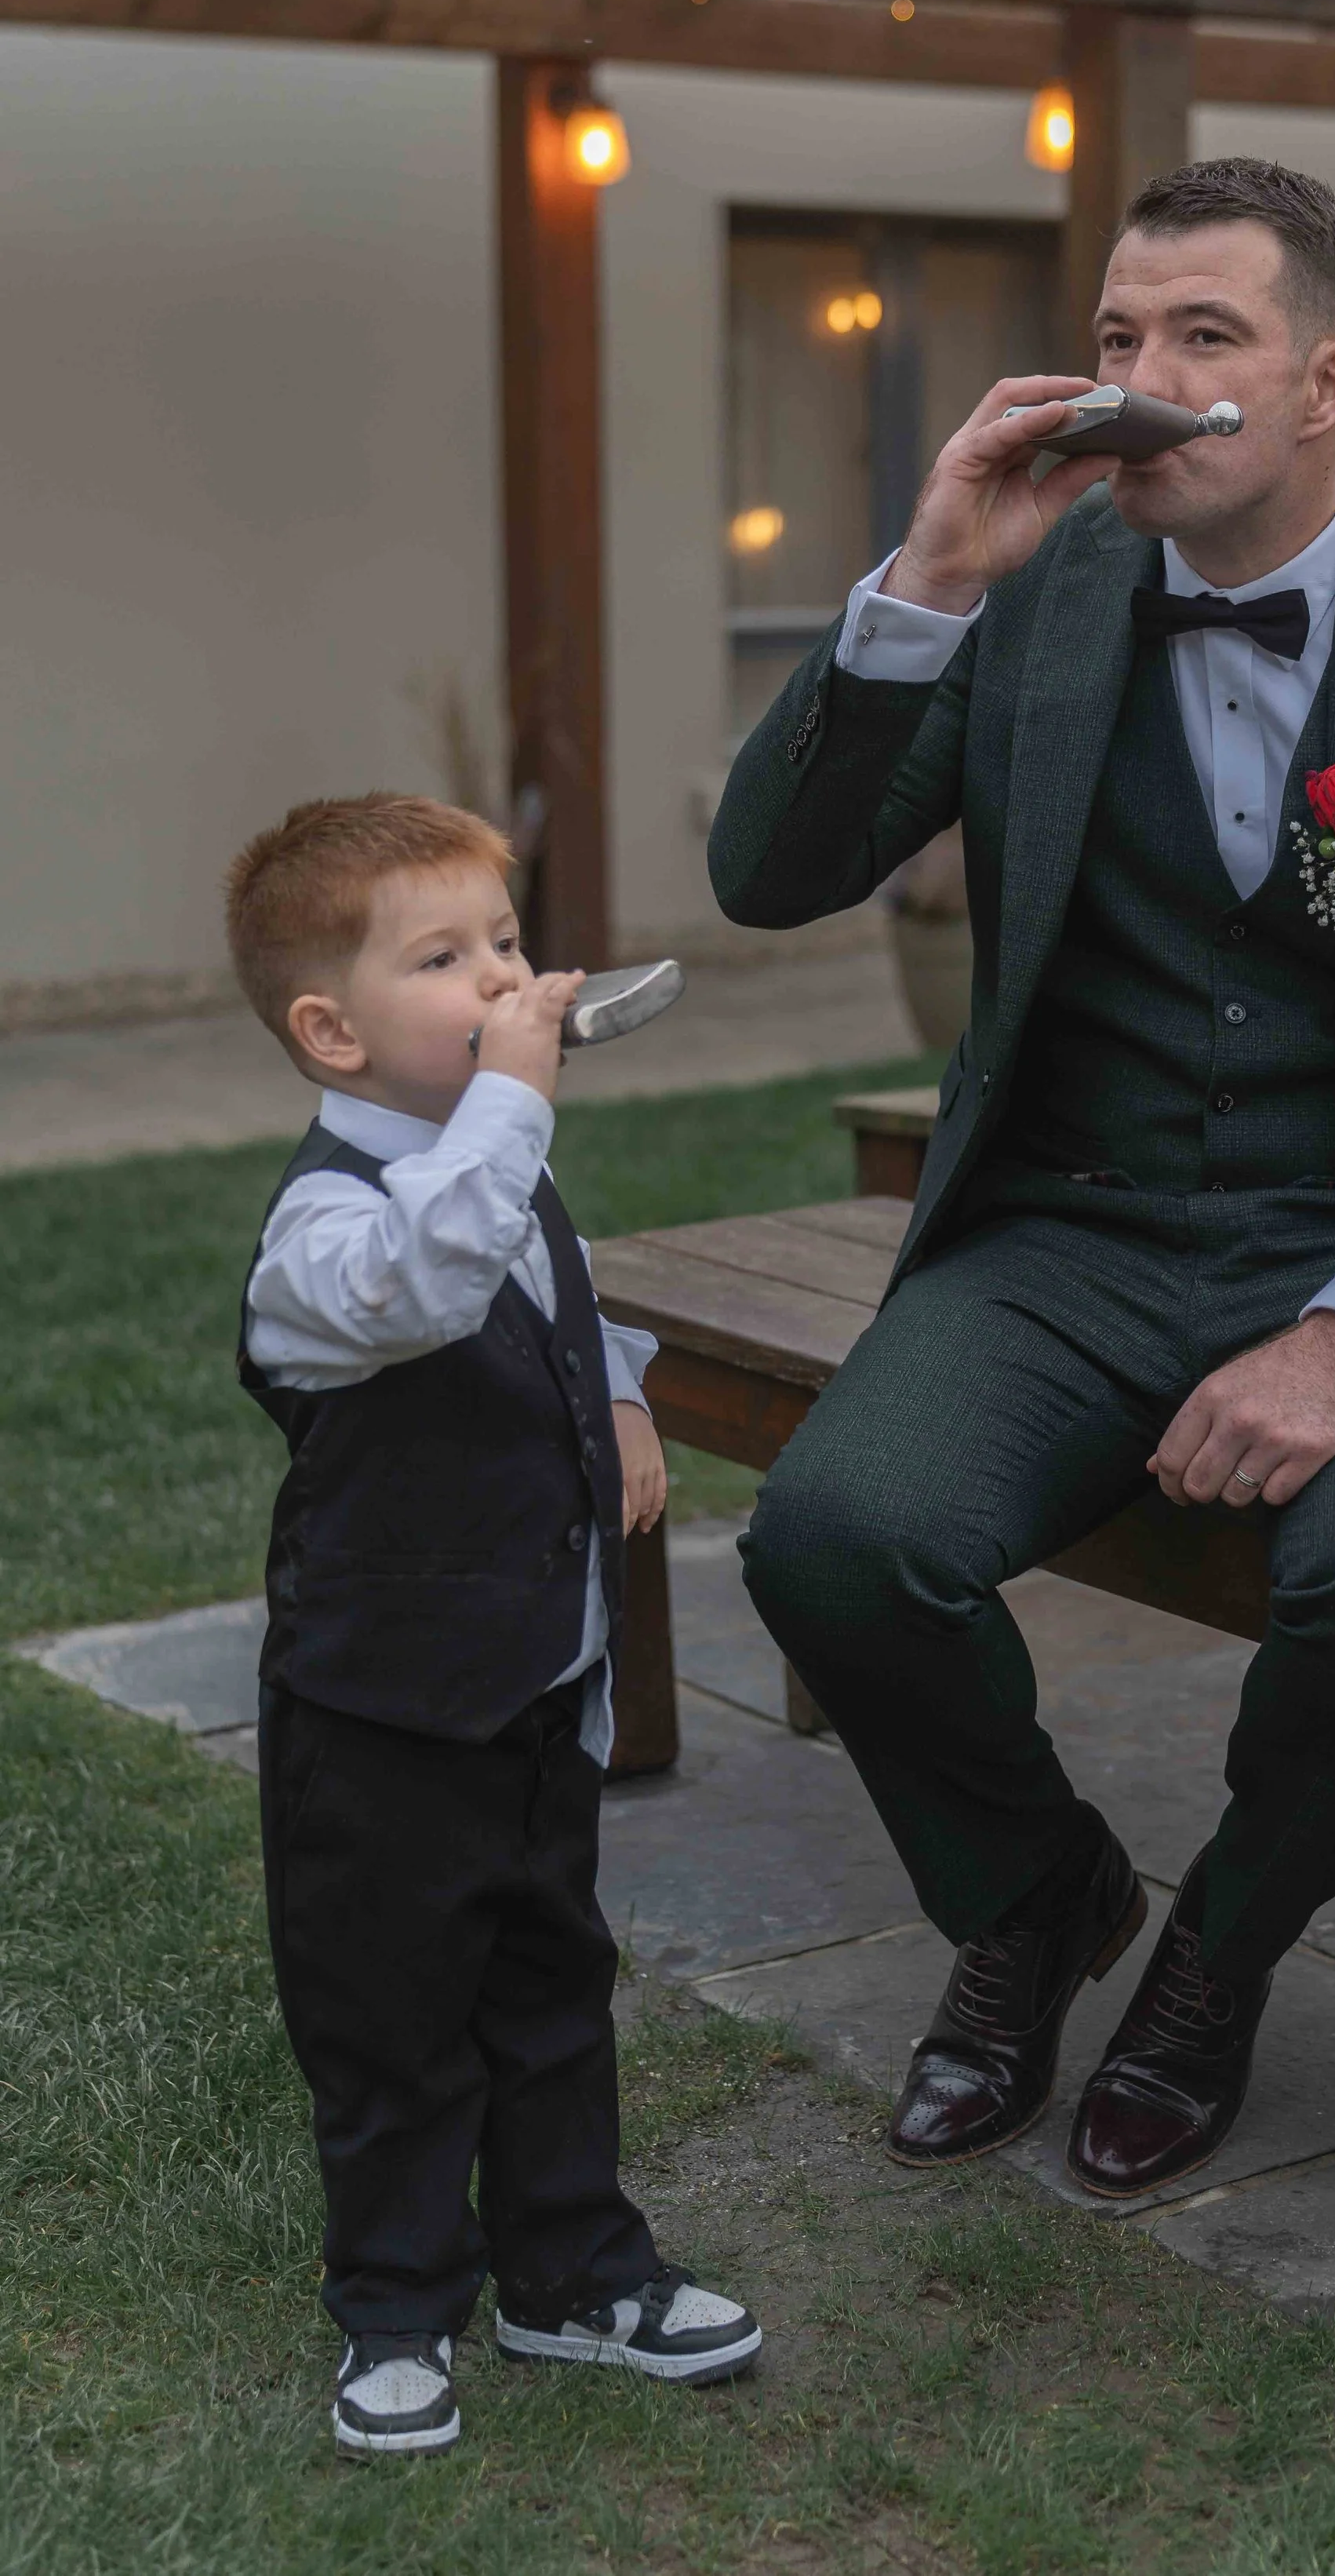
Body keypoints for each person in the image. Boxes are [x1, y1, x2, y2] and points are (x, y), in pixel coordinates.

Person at [711, 155, 1335, 2203]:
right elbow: (769, 876)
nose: (1135, 380)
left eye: (1199, 337)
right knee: (833, 1536)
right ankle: (1034, 1894)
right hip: (1070, 1223)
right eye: (1111, 336)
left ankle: (1214, 1958)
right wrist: (926, 578)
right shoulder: (1030, 597)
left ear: (1324, 382)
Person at [227, 793, 761, 2458]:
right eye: (447, 958)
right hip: (383, 1720)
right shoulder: (327, 1232)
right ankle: (396, 2306)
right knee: (392, 2024)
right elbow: (431, 1279)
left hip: (534, 1690)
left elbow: (545, 1282)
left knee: (550, 1987)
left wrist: (620, 1391)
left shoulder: (492, 1167)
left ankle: (571, 2270)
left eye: (510, 944)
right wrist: (518, 1096)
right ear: (333, 1032)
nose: (508, 981)